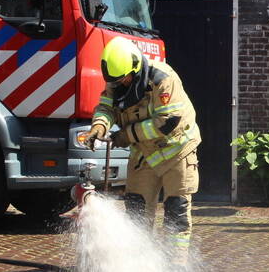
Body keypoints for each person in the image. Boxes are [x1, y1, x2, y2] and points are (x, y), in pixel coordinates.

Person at [85, 37, 201, 260]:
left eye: (124, 80)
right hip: (143, 155)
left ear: (136, 69)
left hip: (177, 151)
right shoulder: (116, 80)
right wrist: (99, 125)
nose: (120, 85)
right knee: (136, 212)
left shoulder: (163, 80)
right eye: (115, 82)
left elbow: (167, 121)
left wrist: (125, 135)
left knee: (176, 213)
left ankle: (175, 266)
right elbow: (106, 106)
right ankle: (139, 266)